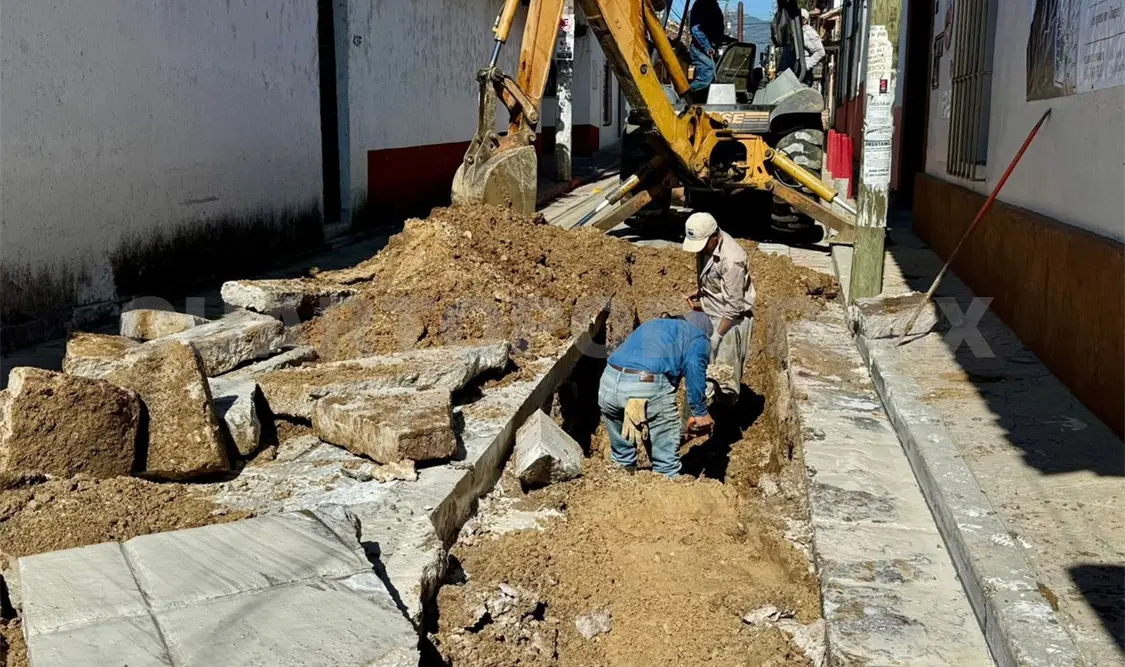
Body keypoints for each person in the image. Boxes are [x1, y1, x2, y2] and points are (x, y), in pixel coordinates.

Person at [598, 312, 715, 477]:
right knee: (666, 466)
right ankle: (665, 488)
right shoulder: (698, 337)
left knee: (622, 458)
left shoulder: (655, 324)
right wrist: (700, 412)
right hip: (645, 383)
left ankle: (622, 491)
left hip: (608, 382)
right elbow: (695, 368)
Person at [682, 212, 755, 401]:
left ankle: (725, 420)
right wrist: (701, 291)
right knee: (707, 370)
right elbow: (717, 279)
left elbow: (733, 307)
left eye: (703, 244)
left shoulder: (731, 260)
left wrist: (718, 336)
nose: (700, 250)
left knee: (724, 378)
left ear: (714, 237)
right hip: (713, 314)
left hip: (730, 323)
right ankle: (708, 408)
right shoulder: (708, 247)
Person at [689, 0, 727, 94]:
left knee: (720, 70)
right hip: (700, 49)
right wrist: (707, 47)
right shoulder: (701, 5)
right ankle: (686, 94)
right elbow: (695, 30)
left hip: (711, 48)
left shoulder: (713, 6)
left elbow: (717, 31)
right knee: (709, 69)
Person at [800, 9, 825, 87]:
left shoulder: (807, 32)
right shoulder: (798, 32)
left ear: (804, 19)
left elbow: (820, 52)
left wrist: (805, 67)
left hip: (803, 77)